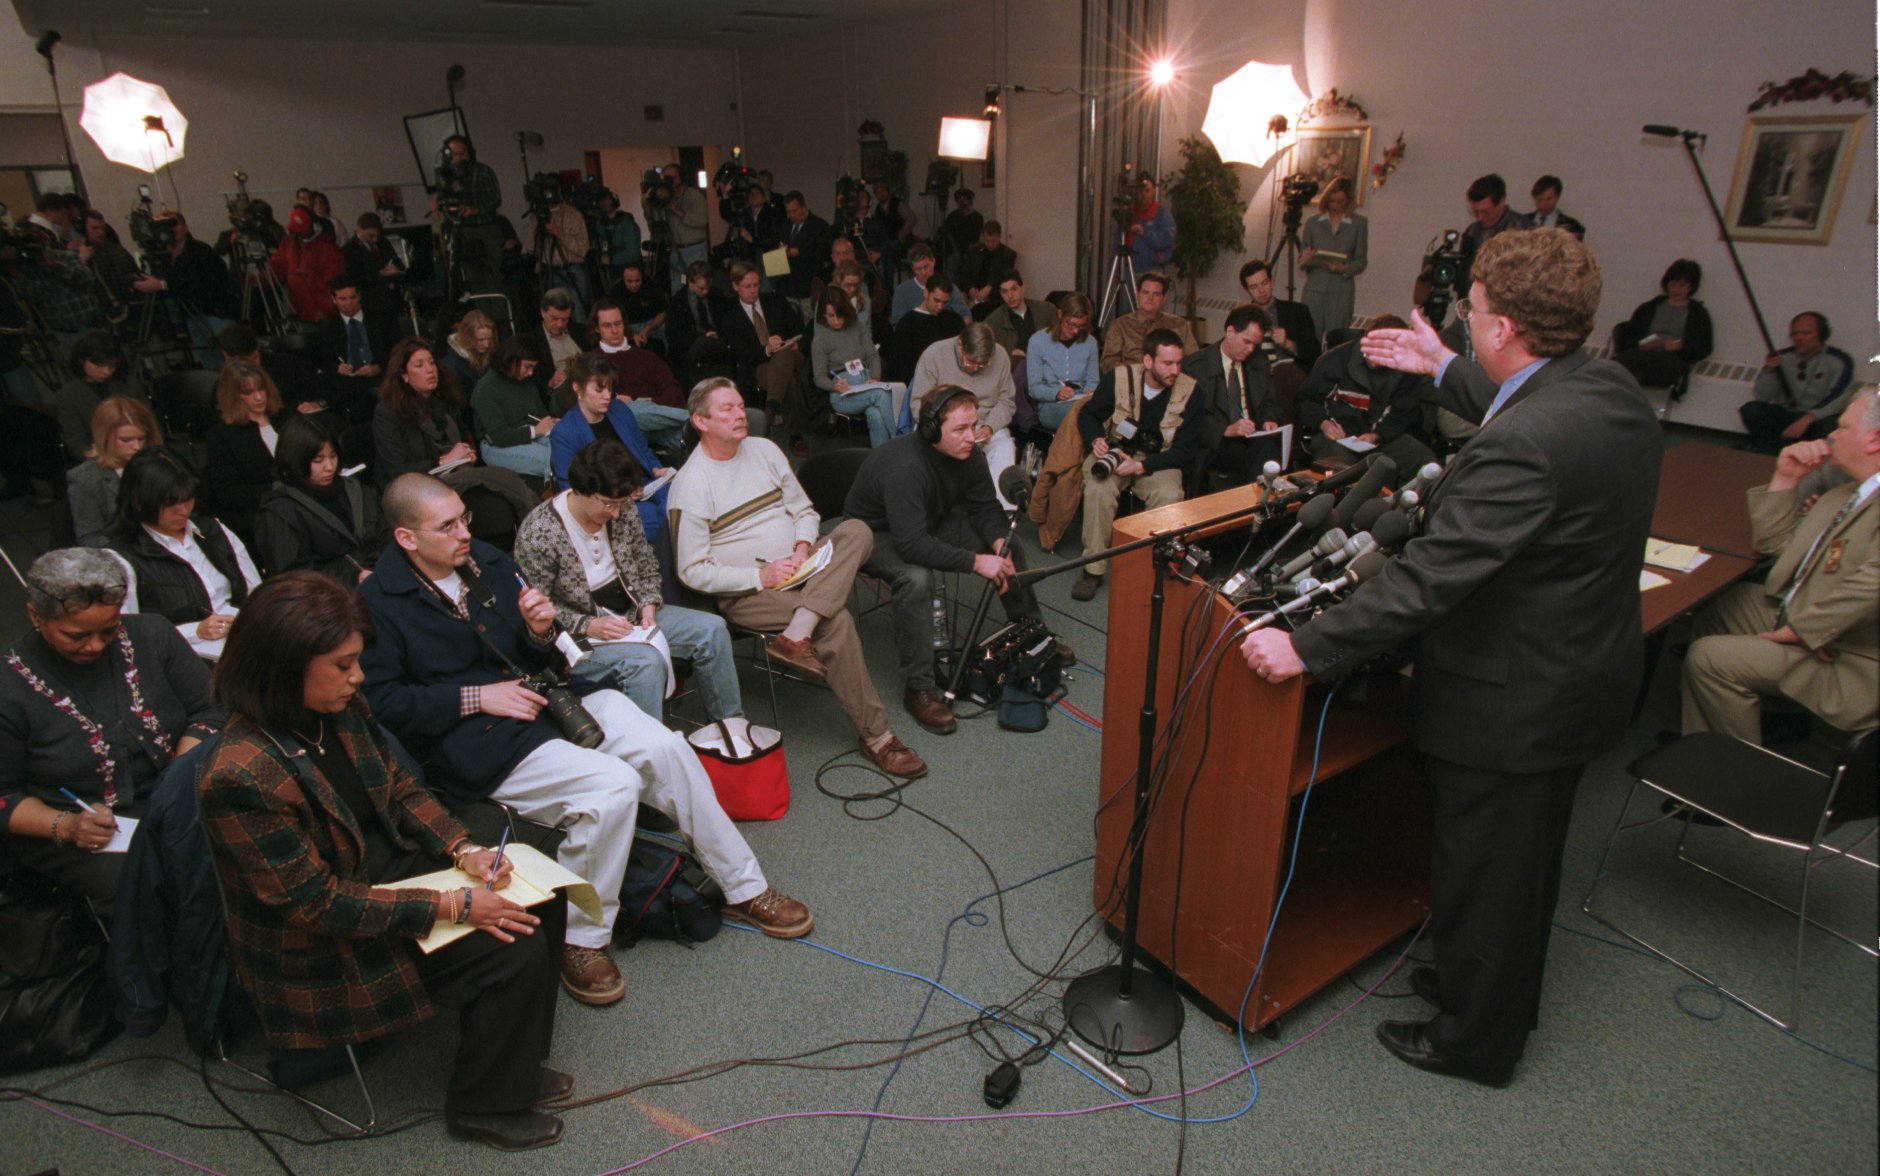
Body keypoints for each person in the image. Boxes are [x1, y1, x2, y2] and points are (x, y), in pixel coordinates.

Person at [1244, 227, 1660, 1088]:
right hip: (1581, 675)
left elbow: (1426, 582)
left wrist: (1306, 647)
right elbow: (1529, 395)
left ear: (1503, 326)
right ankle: (1477, 978)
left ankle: (1478, 1039)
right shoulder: (1612, 389)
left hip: (1515, 701)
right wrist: (1442, 366)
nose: (1465, 323)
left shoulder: (1520, 448)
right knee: (1512, 862)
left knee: (1495, 872)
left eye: (1470, 314)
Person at [360, 473, 812, 1005]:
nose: (465, 533)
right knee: (614, 787)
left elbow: (541, 655)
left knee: (667, 748)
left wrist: (540, 632)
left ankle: (743, 887)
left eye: (465, 518)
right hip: (480, 736)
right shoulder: (376, 603)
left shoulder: (485, 559)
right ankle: (581, 939)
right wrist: (477, 698)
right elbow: (381, 704)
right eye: (448, 526)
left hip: (551, 697)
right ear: (406, 538)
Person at [199, 571, 569, 1152]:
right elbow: (315, 904)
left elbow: (398, 789)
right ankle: (486, 1105)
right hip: (323, 940)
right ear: (283, 665)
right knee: (510, 948)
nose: (359, 677)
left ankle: (512, 1063)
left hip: (375, 882)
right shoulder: (238, 774)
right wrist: (452, 904)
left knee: (541, 894)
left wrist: (462, 849)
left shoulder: (338, 708)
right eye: (343, 665)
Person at [670, 378, 927, 779]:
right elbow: (691, 570)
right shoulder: (690, 484)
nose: (740, 415)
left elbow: (804, 510)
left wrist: (803, 547)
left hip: (802, 566)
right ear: (700, 421)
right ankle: (877, 736)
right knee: (836, 620)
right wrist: (761, 574)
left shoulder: (766, 450)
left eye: (741, 405)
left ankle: (798, 630)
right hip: (751, 590)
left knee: (856, 529)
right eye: (727, 410)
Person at [0, 549, 222, 921]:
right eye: (76, 635)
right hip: (82, 824)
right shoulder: (8, 686)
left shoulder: (152, 635)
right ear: (35, 616)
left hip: (176, 796)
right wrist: (67, 826)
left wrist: (182, 769)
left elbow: (212, 708)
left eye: (109, 630)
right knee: (148, 880)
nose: (95, 646)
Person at [844, 387, 1066, 735]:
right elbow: (913, 544)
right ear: (932, 430)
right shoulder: (905, 467)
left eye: (973, 426)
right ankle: (919, 687)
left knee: (1009, 546)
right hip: (874, 535)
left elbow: (983, 507)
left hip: (928, 519)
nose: (971, 437)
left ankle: (1031, 635)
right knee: (916, 579)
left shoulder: (969, 454)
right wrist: (976, 562)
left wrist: (995, 540)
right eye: (960, 430)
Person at [1682, 390, 1879, 743]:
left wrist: (1802, 630)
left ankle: (1731, 782)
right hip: (1812, 616)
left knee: (1709, 658)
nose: (1831, 435)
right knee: (1722, 605)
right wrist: (1786, 478)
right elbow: (1779, 547)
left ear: (1874, 439)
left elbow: (1875, 585)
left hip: (1854, 655)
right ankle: (1734, 727)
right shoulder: (1847, 494)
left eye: (1843, 427)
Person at [515, 439, 742, 723]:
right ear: (581, 489)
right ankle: (650, 755)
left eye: (621, 504)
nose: (616, 513)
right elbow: (536, 607)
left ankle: (731, 730)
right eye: (608, 504)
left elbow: (645, 562)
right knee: (645, 663)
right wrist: (588, 624)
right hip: (578, 637)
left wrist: (648, 604)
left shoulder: (621, 507)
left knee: (713, 629)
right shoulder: (539, 532)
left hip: (630, 614)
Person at [1070, 329, 1207, 602]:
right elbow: (1088, 415)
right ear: (1147, 361)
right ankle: (1093, 569)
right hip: (1117, 452)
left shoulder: (1192, 391)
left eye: (1179, 363)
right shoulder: (1118, 379)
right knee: (1098, 488)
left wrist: (1142, 467)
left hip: (1160, 461)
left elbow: (1186, 450)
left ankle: (1153, 568)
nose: (1175, 370)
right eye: (1167, 363)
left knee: (1169, 495)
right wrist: (1096, 438)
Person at [373, 338, 538, 546]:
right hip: (420, 487)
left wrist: (467, 454)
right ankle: (536, 528)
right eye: (419, 365)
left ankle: (533, 529)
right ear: (404, 375)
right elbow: (396, 470)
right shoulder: (388, 413)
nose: (430, 370)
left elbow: (462, 439)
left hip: (457, 474)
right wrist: (444, 460)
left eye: (432, 363)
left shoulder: (444, 400)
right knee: (500, 484)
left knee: (501, 486)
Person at [106, 446, 263, 661]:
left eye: (188, 498)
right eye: (171, 503)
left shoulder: (213, 530)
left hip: (240, 638)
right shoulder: (121, 558)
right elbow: (127, 632)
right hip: (181, 656)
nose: (183, 511)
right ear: (140, 501)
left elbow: (256, 591)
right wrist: (195, 631)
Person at [1294, 315, 1437, 474]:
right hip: (1335, 436)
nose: (1376, 359)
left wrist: (1376, 436)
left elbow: (1402, 413)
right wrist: (1323, 423)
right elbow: (1305, 401)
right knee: (1344, 472)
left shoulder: (1405, 370)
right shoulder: (1334, 360)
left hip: (1380, 437)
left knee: (1426, 462)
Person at [253, 415, 388, 582]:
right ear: (296, 460)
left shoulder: (355, 490)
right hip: (329, 598)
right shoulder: (280, 512)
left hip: (381, 578)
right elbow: (293, 576)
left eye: (333, 456)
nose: (329, 467)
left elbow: (385, 535)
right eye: (318, 460)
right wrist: (353, 576)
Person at [909, 323, 1020, 509]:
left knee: (1005, 447)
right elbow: (919, 404)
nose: (976, 368)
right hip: (944, 425)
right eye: (971, 362)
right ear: (960, 344)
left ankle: (1000, 512)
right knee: (921, 445)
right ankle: (927, 507)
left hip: (984, 424)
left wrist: (990, 427)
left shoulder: (1000, 356)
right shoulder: (934, 354)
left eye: (982, 365)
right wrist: (945, 430)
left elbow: (1007, 401)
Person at [1186, 303, 1282, 486]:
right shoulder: (1197, 366)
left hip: (1253, 433)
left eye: (1255, 344)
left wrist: (1269, 419)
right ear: (1230, 332)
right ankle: (1258, 505)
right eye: (1246, 342)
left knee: (1267, 447)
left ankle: (1259, 504)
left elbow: (1270, 403)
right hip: (1217, 441)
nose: (1251, 349)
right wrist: (1225, 430)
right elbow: (1189, 418)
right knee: (1259, 456)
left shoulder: (1259, 361)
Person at [720, 260, 807, 455]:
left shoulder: (775, 300)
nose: (753, 290)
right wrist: (766, 349)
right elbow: (741, 356)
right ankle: (795, 435)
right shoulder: (730, 318)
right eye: (747, 286)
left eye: (756, 285)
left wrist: (793, 343)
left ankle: (769, 411)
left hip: (791, 355)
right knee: (788, 380)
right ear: (735, 286)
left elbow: (799, 329)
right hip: (759, 366)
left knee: (784, 352)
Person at [1740, 312, 1856, 453]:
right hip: (1788, 415)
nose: (1799, 338)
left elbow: (1840, 398)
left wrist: (1809, 418)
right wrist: (1769, 371)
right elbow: (1761, 396)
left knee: (1831, 425)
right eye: (1794, 334)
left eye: (1806, 333)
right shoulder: (1782, 357)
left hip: (1816, 419)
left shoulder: (1839, 360)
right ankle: (1769, 448)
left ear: (1822, 334)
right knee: (1751, 409)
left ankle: (1811, 453)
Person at [202, 360, 289, 543]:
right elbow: (227, 492)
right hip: (258, 515)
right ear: (233, 396)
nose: (259, 398)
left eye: (261, 389)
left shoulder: (283, 418)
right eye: (248, 393)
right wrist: (273, 490)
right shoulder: (221, 436)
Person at [810, 286, 908, 447]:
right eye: (830, 316)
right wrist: (834, 385)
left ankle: (881, 459)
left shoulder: (857, 326)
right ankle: (903, 444)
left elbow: (872, 355)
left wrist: (875, 377)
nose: (835, 321)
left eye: (839, 315)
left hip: (866, 379)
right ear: (823, 315)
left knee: (875, 413)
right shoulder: (820, 339)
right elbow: (818, 377)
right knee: (881, 395)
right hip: (843, 391)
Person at [589, 298, 690, 450]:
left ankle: (707, 429)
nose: (615, 330)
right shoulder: (592, 361)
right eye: (607, 326)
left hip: (656, 422)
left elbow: (673, 391)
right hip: (620, 425)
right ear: (597, 329)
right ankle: (702, 417)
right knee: (630, 411)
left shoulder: (646, 356)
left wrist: (649, 402)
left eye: (618, 323)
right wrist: (617, 401)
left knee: (692, 436)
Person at [69, 396, 159, 547]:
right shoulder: (85, 478)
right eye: (126, 440)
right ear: (104, 437)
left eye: (141, 438)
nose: (137, 447)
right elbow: (89, 538)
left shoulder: (159, 465)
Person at [1611, 259, 1714, 389]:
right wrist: (1641, 345)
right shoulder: (1648, 308)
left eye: (1682, 285)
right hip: (1643, 353)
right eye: (1673, 285)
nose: (1676, 290)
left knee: (1659, 365)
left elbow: (1704, 346)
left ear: (1691, 287)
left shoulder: (1698, 314)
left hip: (1672, 358)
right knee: (1623, 364)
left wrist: (1680, 346)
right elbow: (1629, 335)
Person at [54, 330, 149, 460]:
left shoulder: (129, 385)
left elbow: (149, 421)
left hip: (140, 453)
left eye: (111, 366)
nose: (106, 371)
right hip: (100, 459)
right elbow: (75, 439)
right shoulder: (67, 396)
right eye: (99, 365)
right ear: (82, 360)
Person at [471, 337, 557, 480]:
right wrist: (535, 431)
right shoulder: (486, 389)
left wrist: (552, 423)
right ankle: (553, 493)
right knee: (556, 461)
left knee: (567, 447)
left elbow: (540, 414)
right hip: (497, 447)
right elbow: (499, 436)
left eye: (533, 368)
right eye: (527, 366)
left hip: (529, 432)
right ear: (511, 361)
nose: (530, 373)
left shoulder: (525, 381)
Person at [433, 135, 506, 296]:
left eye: (462, 153)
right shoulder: (447, 176)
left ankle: (500, 317)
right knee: (475, 279)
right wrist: (441, 204)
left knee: (494, 276)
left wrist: (475, 209)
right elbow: (444, 201)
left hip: (486, 228)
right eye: (454, 154)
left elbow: (495, 199)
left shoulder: (483, 171)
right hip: (463, 231)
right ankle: (481, 317)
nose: (458, 158)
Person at [1298, 178, 1367, 339]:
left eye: (1340, 202)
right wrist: (1306, 258)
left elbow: (1361, 260)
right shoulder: (1313, 223)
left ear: (1348, 201)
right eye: (1331, 201)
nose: (1335, 205)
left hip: (1341, 290)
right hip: (1315, 288)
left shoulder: (1359, 224)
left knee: (1336, 338)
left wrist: (1344, 269)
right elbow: (1302, 261)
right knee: (1309, 336)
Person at [1024, 292, 1098, 432]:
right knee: (1082, 415)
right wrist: (1057, 393)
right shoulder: (1037, 341)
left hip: (1083, 402)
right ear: (1060, 315)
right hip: (1051, 406)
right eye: (1071, 324)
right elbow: (1034, 388)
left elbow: (1093, 380)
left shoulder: (1090, 342)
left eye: (1081, 326)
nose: (1076, 331)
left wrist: (1090, 391)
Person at [1098, 271, 1198, 371]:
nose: (1150, 298)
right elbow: (1108, 361)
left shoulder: (1180, 325)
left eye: (1156, 294)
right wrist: (1130, 374)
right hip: (1130, 380)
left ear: (1164, 299)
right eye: (1145, 292)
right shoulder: (1120, 325)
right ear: (1137, 295)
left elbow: (1195, 361)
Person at [1454, 173, 1530, 297]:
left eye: (1485, 211)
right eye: (1475, 212)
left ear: (1501, 202)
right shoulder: (1472, 231)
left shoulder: (1523, 231)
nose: (1480, 217)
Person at [1240, 258, 1321, 373]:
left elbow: (1315, 353)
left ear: (1272, 282)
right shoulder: (1242, 317)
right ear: (1246, 290)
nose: (1261, 290)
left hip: (1289, 376)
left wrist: (1288, 343)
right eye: (1254, 287)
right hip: (1255, 377)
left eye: (1265, 283)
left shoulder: (1297, 311)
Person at [270, 206, 347, 327]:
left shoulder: (327, 248)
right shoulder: (289, 243)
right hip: (297, 310)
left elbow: (335, 282)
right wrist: (261, 277)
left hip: (319, 315)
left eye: (302, 233)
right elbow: (277, 266)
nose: (299, 237)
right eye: (296, 233)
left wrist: (326, 310)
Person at [886, 275, 967, 384]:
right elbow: (901, 366)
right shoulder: (907, 323)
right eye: (936, 300)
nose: (940, 306)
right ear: (926, 293)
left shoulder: (954, 320)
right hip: (921, 382)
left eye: (944, 302)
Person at [520, 288, 594, 405]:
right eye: (554, 318)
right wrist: (549, 383)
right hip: (560, 397)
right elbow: (529, 381)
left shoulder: (581, 332)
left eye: (565, 319)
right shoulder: (532, 341)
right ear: (543, 312)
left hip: (589, 387)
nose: (560, 324)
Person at [775, 191, 834, 318]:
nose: (791, 215)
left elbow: (824, 252)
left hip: (808, 284)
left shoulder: (820, 225)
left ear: (804, 207)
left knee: (810, 322)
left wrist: (799, 252)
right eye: (788, 211)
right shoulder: (785, 226)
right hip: (788, 285)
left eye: (795, 211)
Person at [889, 244, 971, 326]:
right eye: (918, 269)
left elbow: (966, 315)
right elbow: (897, 325)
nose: (924, 272)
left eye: (926, 266)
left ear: (933, 262)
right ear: (913, 269)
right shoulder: (902, 291)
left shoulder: (948, 286)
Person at [985, 272, 1057, 360]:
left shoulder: (1046, 310)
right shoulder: (993, 322)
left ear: (1022, 288)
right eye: (1004, 292)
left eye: (1014, 289)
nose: (1010, 295)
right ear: (1000, 294)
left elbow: (1058, 344)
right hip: (1015, 369)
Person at [1118, 172, 1175, 276]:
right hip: (1127, 270)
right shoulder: (1129, 213)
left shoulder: (1162, 214)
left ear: (1153, 191)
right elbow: (1117, 243)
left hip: (1151, 271)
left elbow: (1165, 241)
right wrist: (1115, 271)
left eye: (1147, 190)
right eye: (1140, 191)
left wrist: (1145, 233)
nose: (1143, 194)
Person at [957, 220, 1018, 311]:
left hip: (994, 299)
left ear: (999, 236)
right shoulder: (973, 251)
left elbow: (1005, 277)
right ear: (983, 237)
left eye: (994, 241)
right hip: (973, 296)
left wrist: (990, 287)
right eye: (987, 240)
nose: (990, 244)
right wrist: (970, 289)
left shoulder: (1008, 254)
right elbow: (965, 273)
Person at [441, 308, 495, 393]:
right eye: (480, 340)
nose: (486, 344)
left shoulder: (489, 356)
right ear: (467, 337)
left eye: (489, 339)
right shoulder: (452, 365)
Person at [1528, 175, 1585, 239]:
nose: (1543, 204)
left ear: (1557, 197)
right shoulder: (1521, 222)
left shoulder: (1573, 227)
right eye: (1539, 199)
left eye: (1549, 199)